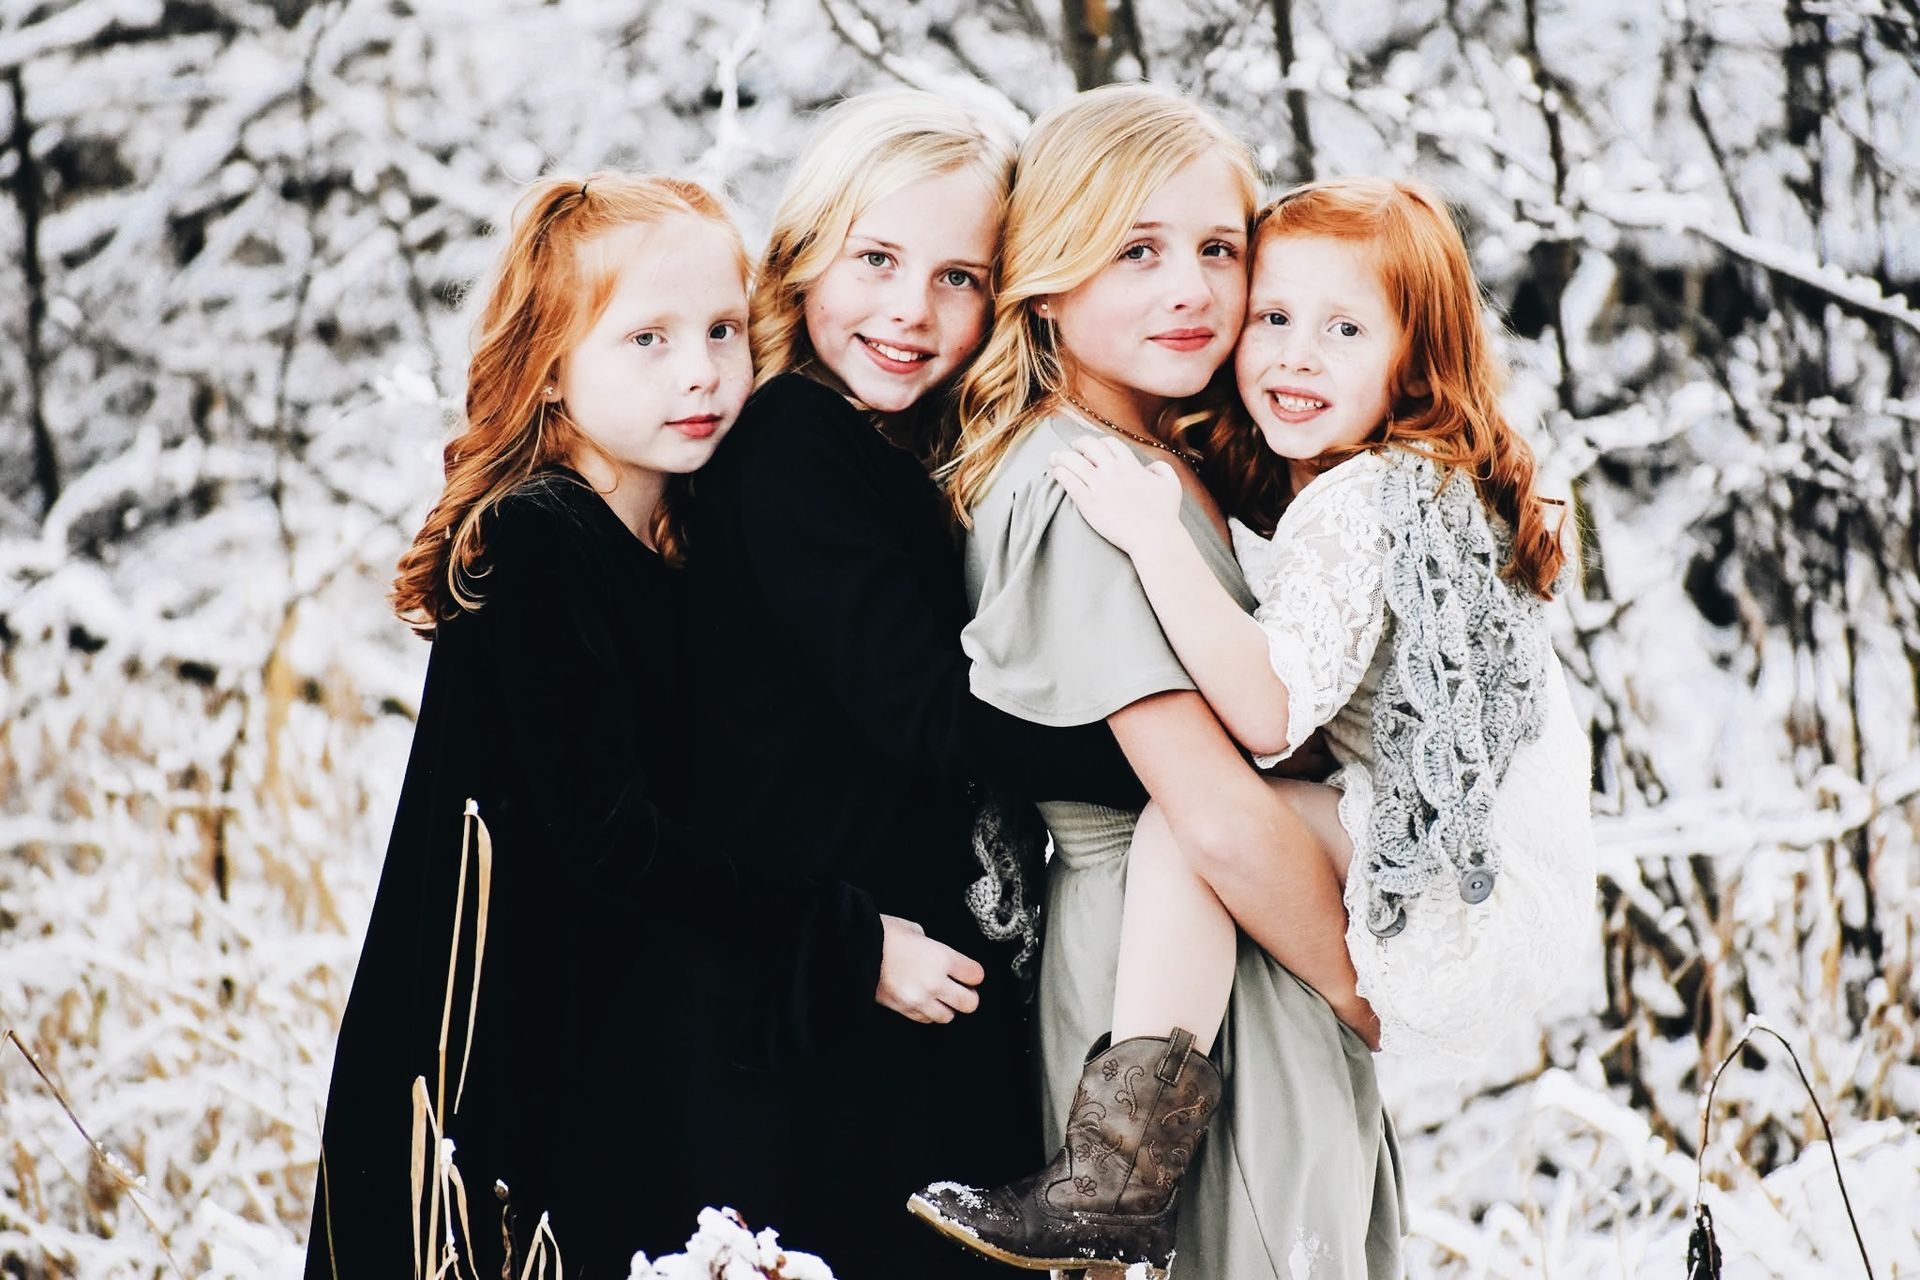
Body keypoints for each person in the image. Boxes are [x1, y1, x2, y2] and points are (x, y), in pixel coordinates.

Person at [909, 88, 1404, 1279]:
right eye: (1138, 250)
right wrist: (1374, 994)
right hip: (1187, 982)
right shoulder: (1079, 484)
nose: (1191, 288)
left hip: (1237, 941)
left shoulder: (1153, 457)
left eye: (1218, 250)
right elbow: (1212, 812)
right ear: (1048, 270)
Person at [679, 91, 1143, 1279]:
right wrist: (1160, 746)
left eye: (960, 277)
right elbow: (927, 709)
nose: (911, 308)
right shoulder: (791, 447)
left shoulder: (907, 454)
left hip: (939, 992)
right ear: (802, 256)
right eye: (875, 257)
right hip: (844, 1016)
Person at [307, 173, 760, 1279]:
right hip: (490, 1064)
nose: (699, 368)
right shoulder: (540, 540)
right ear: (552, 366)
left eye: (723, 330)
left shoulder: (678, 533)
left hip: (603, 1048)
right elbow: (607, 835)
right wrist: (835, 935)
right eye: (646, 337)